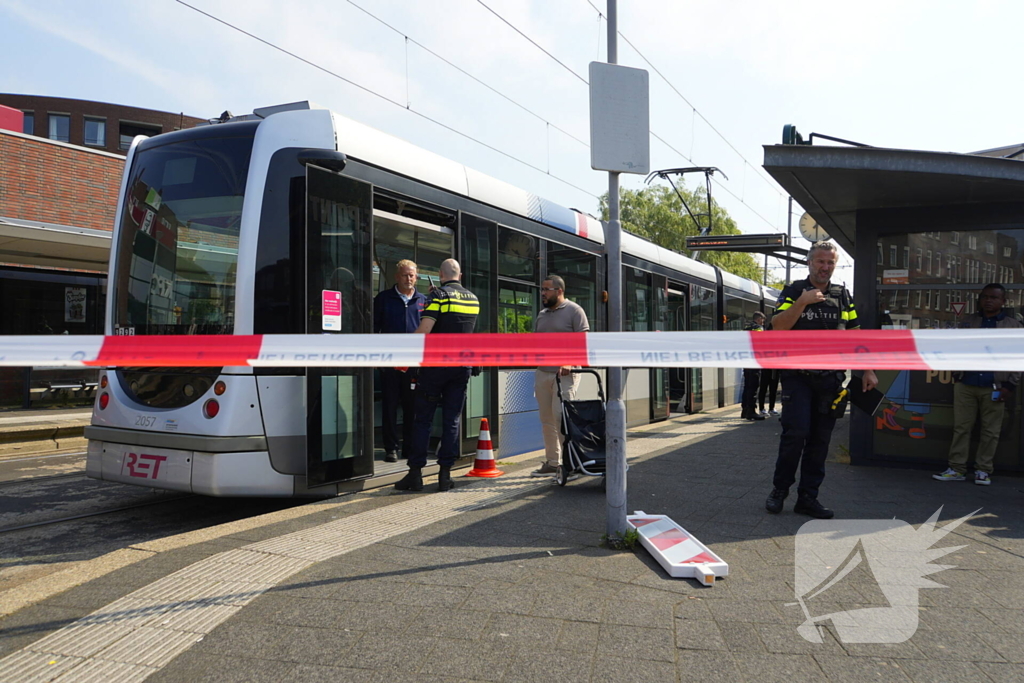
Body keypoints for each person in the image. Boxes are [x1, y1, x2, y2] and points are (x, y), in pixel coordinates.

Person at [765, 241, 878, 519]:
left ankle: (808, 498)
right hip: (798, 378)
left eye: (830, 263)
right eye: (820, 262)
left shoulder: (842, 296)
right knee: (796, 435)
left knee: (819, 442)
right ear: (810, 263)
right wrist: (803, 301)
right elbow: (776, 328)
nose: (825, 267)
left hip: (830, 380)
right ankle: (779, 490)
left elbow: (855, 334)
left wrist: (868, 369)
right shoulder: (793, 291)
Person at [395, 259, 479, 493]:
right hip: (462, 367)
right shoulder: (473, 298)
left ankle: (415, 475)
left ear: (440, 274)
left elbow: (425, 330)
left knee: (423, 420)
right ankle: (444, 476)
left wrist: (401, 352)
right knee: (452, 420)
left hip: (435, 367)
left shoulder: (438, 297)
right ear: (459, 275)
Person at [933, 283, 1022, 486]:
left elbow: (1019, 357)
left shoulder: (1013, 326)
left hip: (996, 385)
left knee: (990, 431)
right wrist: (956, 374)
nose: (988, 300)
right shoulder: (968, 322)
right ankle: (957, 469)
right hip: (967, 383)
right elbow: (955, 348)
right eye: (985, 297)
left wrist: (1010, 385)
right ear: (980, 299)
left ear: (1003, 301)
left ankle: (983, 470)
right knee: (961, 427)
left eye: (993, 297)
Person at [531, 275, 591, 477]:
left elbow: (583, 342)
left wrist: (569, 361)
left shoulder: (575, 311)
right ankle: (552, 462)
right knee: (546, 420)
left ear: (559, 291)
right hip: (543, 373)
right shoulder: (542, 314)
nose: (543, 293)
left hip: (565, 374)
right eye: (542, 289)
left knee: (562, 419)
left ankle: (570, 463)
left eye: (546, 289)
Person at [373, 260, 426, 463]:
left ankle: (409, 447)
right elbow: (374, 329)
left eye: (412, 275)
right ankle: (391, 448)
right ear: (397, 277)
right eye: (405, 275)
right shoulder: (384, 299)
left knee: (412, 407)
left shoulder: (424, 300)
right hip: (390, 363)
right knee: (390, 406)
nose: (409, 279)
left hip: (414, 365)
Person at [740, 312, 767, 421]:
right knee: (754, 386)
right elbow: (761, 342)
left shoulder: (746, 327)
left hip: (746, 360)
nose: (763, 322)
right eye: (763, 320)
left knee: (747, 386)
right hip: (754, 360)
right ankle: (751, 411)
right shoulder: (758, 328)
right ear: (759, 319)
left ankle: (744, 410)